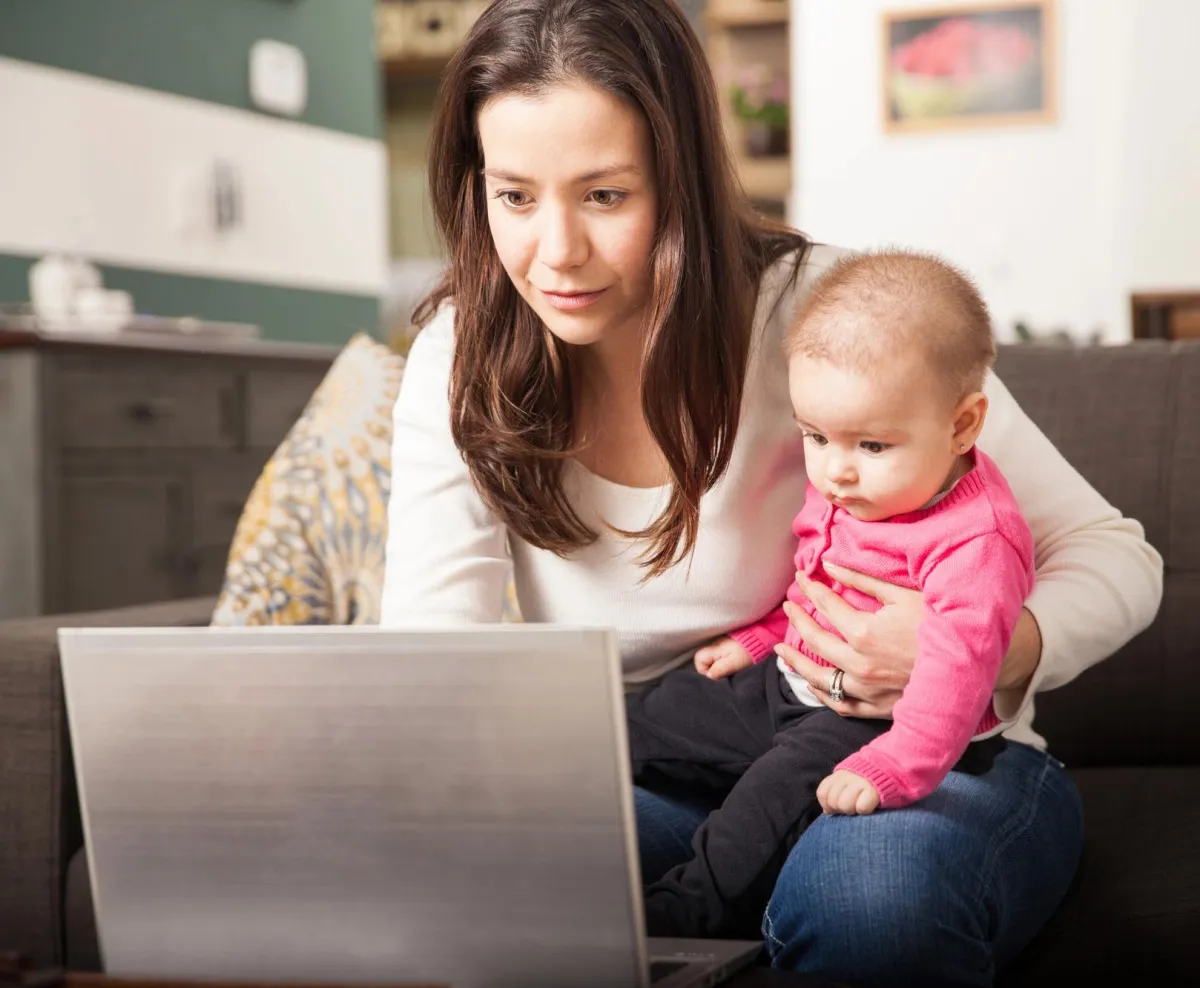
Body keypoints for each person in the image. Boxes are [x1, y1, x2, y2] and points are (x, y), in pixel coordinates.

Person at [379, 1, 1163, 984]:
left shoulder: (831, 314)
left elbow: (1117, 556)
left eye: (606, 196)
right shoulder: (463, 352)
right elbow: (431, 654)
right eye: (514, 197)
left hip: (924, 758)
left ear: (682, 183)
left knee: (871, 907)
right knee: (459, 878)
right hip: (664, 763)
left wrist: (984, 645)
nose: (556, 252)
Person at [627, 249, 1033, 940]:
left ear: (962, 425)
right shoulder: (852, 483)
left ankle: (679, 919)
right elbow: (817, 579)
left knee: (765, 803)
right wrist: (763, 637)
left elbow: (958, 678)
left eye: (872, 445)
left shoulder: (976, 541)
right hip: (786, 680)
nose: (836, 471)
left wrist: (894, 766)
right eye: (816, 436)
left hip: (875, 726)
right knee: (643, 718)